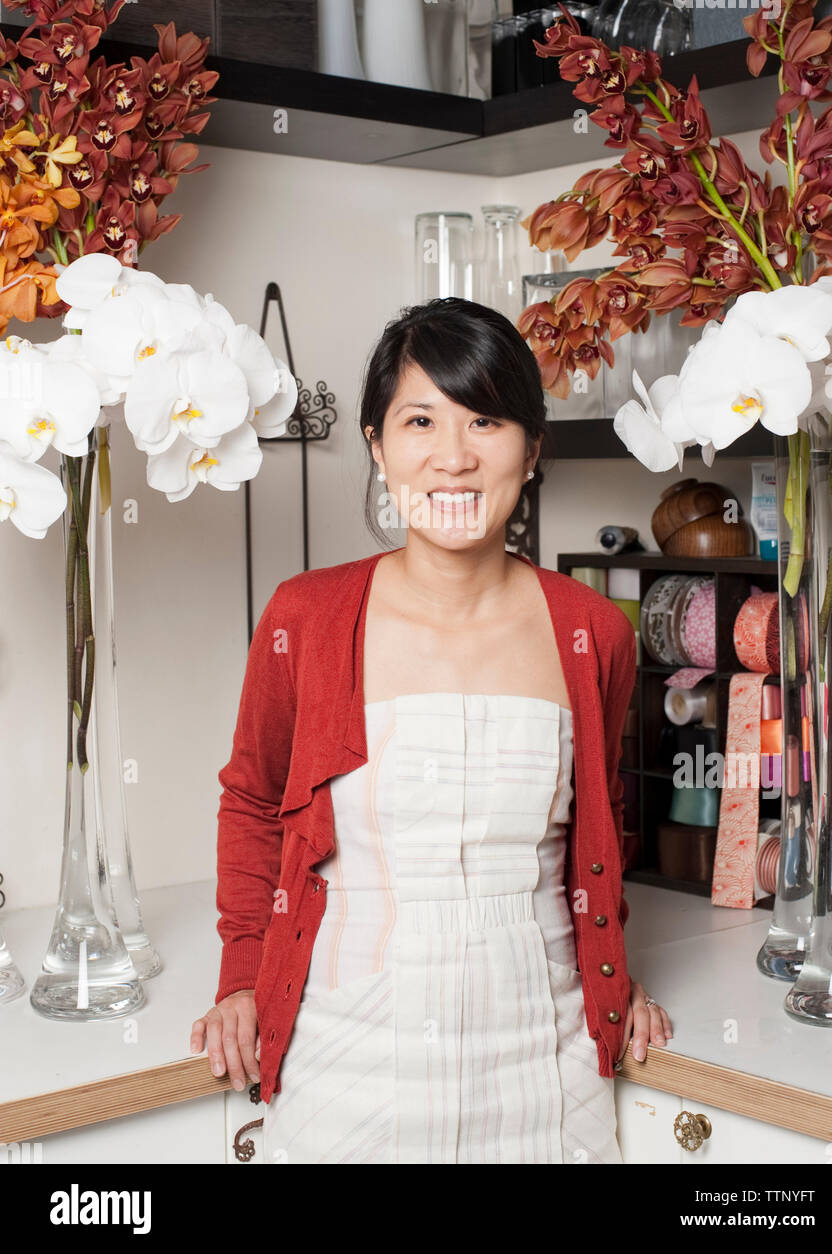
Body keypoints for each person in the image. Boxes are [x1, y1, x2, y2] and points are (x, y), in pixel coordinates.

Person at [191, 297, 672, 1163]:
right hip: (347, 1059)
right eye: (420, 420)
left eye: (485, 419)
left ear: (530, 447)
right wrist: (239, 979)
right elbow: (254, 802)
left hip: (545, 1068)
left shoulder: (593, 631)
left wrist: (614, 974)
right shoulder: (307, 618)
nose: (452, 456)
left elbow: (596, 835)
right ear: (378, 444)